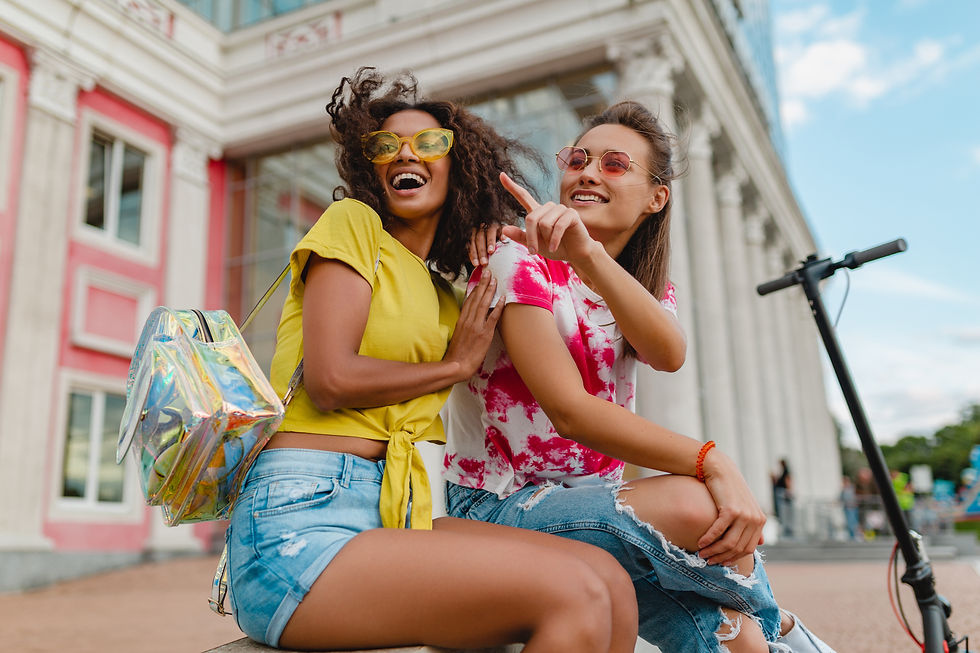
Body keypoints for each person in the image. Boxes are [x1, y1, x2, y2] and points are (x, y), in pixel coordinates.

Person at [224, 68, 639, 653]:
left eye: (428, 143)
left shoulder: (450, 295)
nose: (404, 154)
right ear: (369, 165)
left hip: (395, 513)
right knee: (576, 592)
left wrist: (510, 241)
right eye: (385, 146)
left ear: (458, 165)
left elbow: (565, 341)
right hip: (301, 519)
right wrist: (453, 367)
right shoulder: (354, 225)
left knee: (610, 580)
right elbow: (331, 379)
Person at [444, 100, 836, 653]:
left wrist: (586, 256)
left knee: (738, 640)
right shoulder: (513, 259)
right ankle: (784, 626)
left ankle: (766, 629)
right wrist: (712, 459)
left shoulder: (637, 286)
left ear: (657, 197)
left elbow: (669, 352)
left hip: (597, 507)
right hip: (500, 505)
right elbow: (570, 411)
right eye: (578, 159)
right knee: (699, 504)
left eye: (614, 164)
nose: (586, 172)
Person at [773, 458, 794, 539]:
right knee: (783, 511)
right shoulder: (783, 472)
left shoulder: (786, 471)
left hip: (783, 493)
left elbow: (788, 480)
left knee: (784, 510)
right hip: (782, 492)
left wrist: (789, 490)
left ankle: (787, 529)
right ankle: (785, 528)